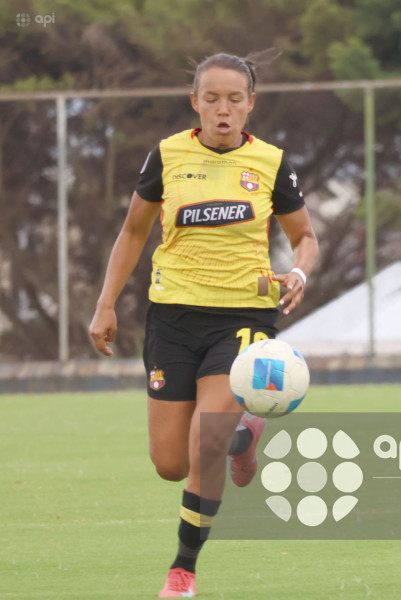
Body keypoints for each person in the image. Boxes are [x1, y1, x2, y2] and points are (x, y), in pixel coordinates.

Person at [89, 52, 318, 598]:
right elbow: (132, 232)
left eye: (235, 99)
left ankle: (182, 571)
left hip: (243, 318)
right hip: (171, 319)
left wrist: (300, 273)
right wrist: (105, 303)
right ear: (195, 102)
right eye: (211, 98)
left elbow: (305, 236)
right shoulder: (168, 155)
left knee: (202, 445)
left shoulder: (270, 162)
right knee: (170, 463)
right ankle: (245, 437)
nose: (223, 110)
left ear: (250, 105)